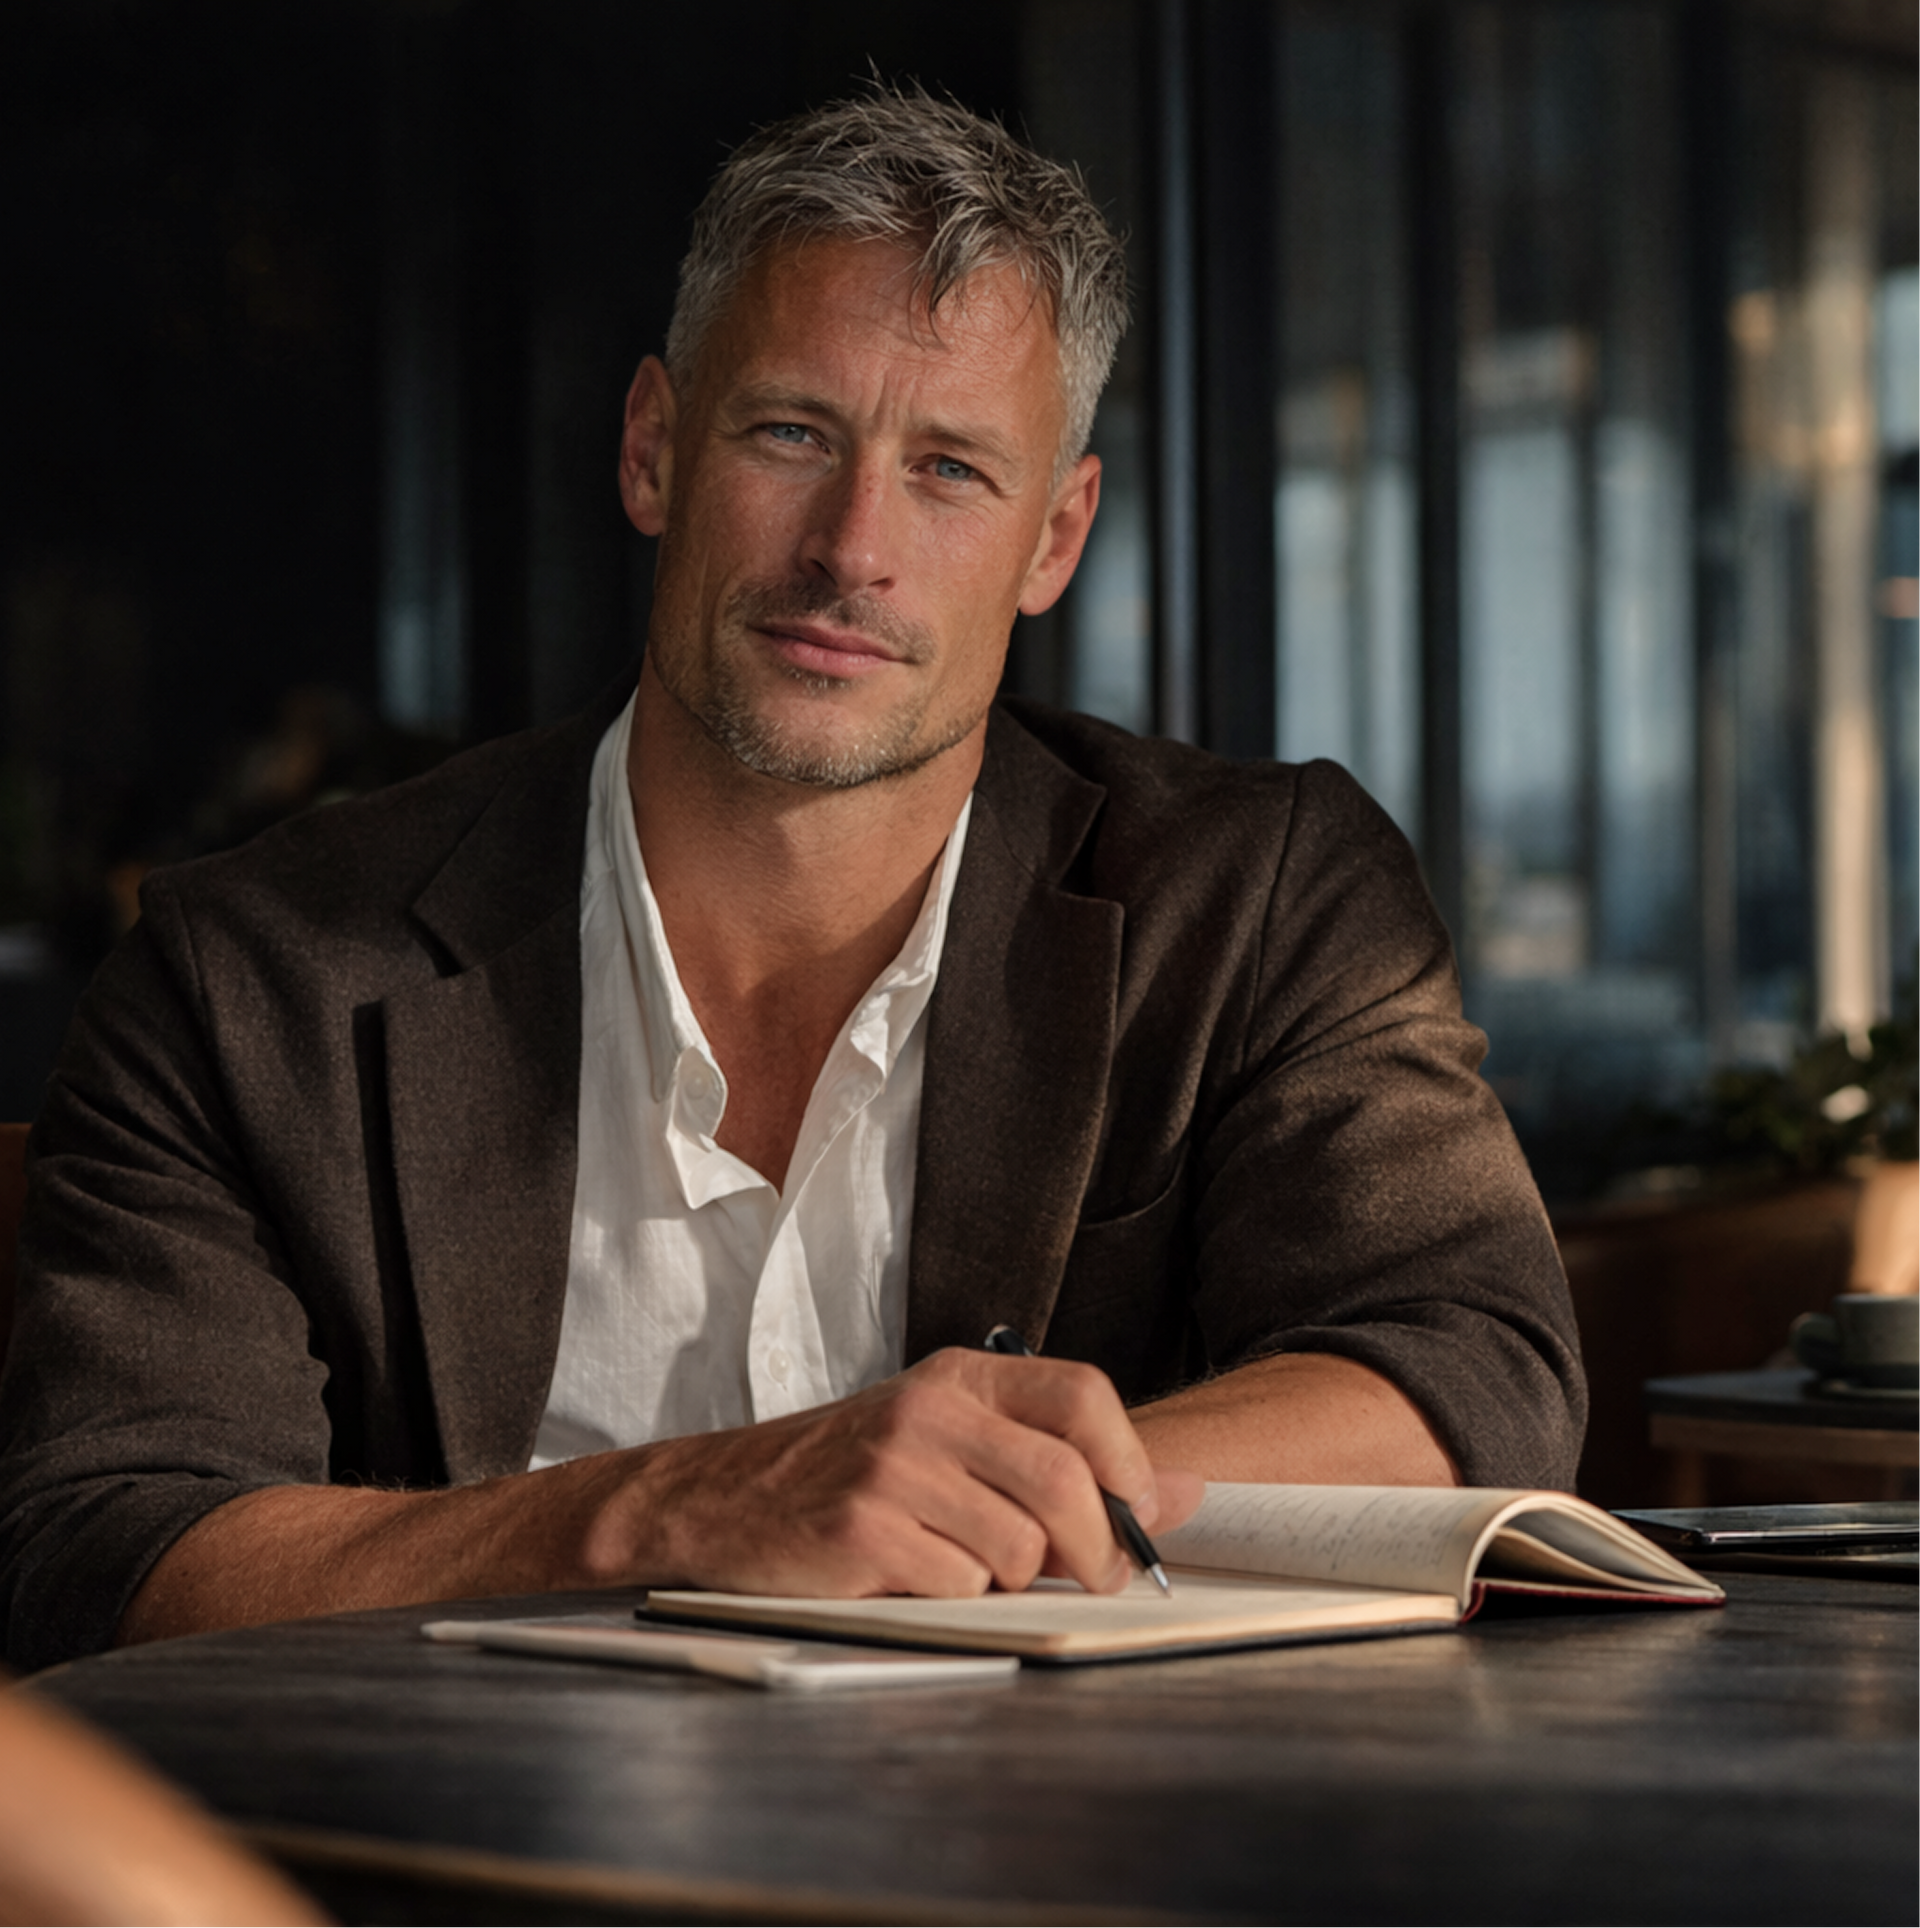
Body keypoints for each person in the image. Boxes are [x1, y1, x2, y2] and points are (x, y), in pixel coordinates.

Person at [0, 86, 1583, 1674]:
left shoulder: (1264, 900)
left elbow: (1472, 1364)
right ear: (652, 449)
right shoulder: (250, 974)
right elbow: (106, 1547)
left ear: (1056, 538)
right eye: (791, 434)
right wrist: (688, 1507)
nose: (853, 548)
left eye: (952, 469)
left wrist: (999, 1491)